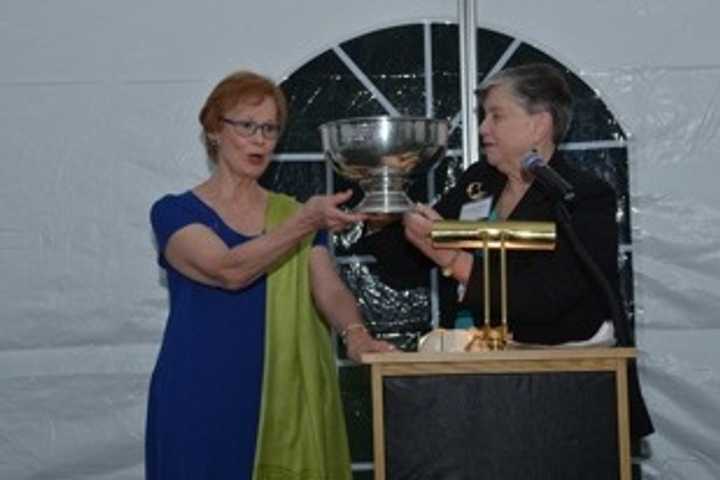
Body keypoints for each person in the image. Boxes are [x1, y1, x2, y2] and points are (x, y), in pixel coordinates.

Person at [359, 63, 654, 440]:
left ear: (539, 125)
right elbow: (406, 265)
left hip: (558, 391)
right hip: (471, 380)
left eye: (496, 116)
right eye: (484, 117)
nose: (482, 129)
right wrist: (383, 216)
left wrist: (451, 258)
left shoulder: (581, 197)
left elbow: (548, 298)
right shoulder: (477, 183)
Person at [145, 70, 394, 480]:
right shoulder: (173, 212)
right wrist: (304, 222)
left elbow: (329, 288)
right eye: (247, 126)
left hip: (282, 396)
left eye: (270, 128)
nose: (260, 139)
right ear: (213, 130)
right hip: (198, 395)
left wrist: (356, 335)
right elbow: (230, 270)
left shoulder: (291, 213)